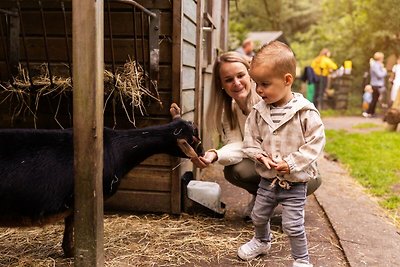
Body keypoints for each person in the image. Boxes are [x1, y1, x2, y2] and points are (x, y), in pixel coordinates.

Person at [190, 51, 322, 219]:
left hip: (300, 171)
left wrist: (290, 162)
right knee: (235, 170)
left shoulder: (269, 102)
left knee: (291, 221)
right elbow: (241, 145)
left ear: (251, 75)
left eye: (240, 75)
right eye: (229, 80)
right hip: (269, 166)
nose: (236, 83)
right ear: (221, 84)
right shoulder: (229, 111)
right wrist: (214, 155)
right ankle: (264, 198)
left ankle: (293, 202)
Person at [237, 41, 325, 267]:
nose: (259, 90)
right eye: (257, 83)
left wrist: (292, 163)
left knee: (293, 225)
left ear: (287, 80)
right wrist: (260, 156)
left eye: (265, 84)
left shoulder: (304, 112)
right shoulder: (258, 112)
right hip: (268, 179)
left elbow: (316, 142)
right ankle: (261, 241)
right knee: (258, 216)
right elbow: (251, 139)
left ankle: (302, 260)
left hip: (294, 182)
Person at [364, 52, 387, 117]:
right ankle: (369, 112)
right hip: (376, 84)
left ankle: (371, 112)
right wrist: (384, 70)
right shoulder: (375, 65)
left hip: (377, 84)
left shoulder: (377, 65)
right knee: (374, 99)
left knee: (375, 99)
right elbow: (380, 75)